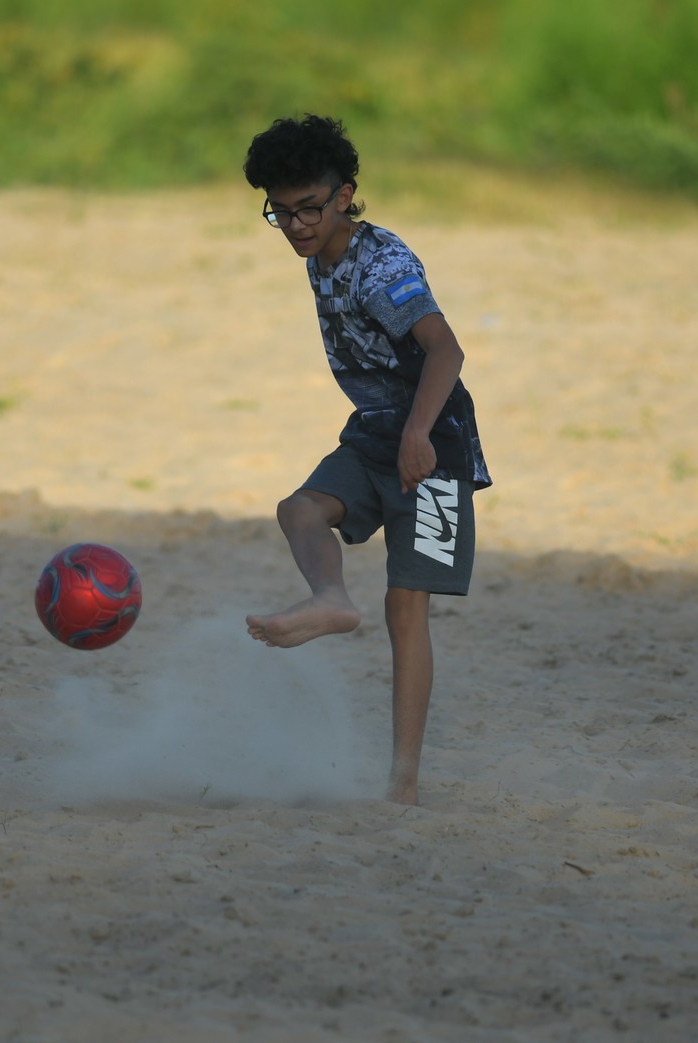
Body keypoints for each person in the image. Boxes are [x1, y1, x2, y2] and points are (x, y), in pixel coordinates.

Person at [241, 115, 491, 806]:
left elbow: (446, 351)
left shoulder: (384, 268)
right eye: (280, 211)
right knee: (299, 509)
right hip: (373, 432)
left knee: (405, 609)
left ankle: (402, 785)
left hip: (433, 445)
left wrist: (419, 434)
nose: (295, 226)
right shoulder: (320, 251)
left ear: (345, 195)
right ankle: (328, 598)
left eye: (309, 209)